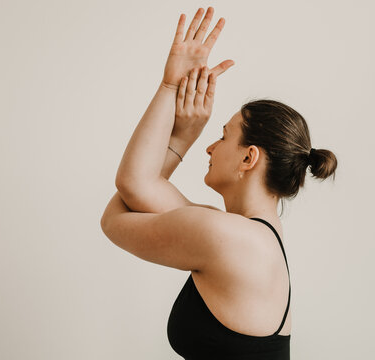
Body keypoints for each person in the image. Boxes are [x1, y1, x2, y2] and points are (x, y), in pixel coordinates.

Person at [100, 7, 337, 360]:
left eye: (223, 137)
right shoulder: (248, 235)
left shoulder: (224, 236)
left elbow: (115, 216)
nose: (210, 147)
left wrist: (174, 109)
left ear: (248, 158)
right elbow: (136, 186)